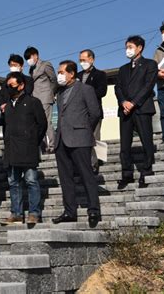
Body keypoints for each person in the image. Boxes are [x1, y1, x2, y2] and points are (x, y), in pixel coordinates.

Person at [52, 60, 101, 227]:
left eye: (61, 72)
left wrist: (83, 129)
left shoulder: (85, 89)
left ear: (72, 73)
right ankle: (69, 211)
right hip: (62, 139)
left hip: (80, 138)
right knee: (65, 178)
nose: (59, 75)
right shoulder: (60, 93)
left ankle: (93, 209)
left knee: (86, 174)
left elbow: (95, 114)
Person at [0, 72, 47, 225]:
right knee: (13, 183)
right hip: (11, 150)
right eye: (7, 86)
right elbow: (5, 126)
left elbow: (42, 125)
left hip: (28, 149)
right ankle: (16, 213)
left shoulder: (33, 102)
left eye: (12, 86)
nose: (9, 89)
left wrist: (33, 140)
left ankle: (34, 213)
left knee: (31, 180)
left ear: (21, 85)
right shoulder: (6, 106)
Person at [115, 35, 158, 189]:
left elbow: (148, 86)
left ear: (139, 48)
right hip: (125, 110)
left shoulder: (150, 64)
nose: (128, 50)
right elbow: (117, 87)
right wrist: (123, 102)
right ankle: (126, 173)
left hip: (141, 108)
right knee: (125, 145)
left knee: (146, 140)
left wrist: (133, 102)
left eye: (131, 47)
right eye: (126, 47)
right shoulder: (123, 69)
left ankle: (146, 170)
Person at [77, 49, 108, 174]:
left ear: (92, 59)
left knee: (94, 138)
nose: (82, 62)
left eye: (84, 59)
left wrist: (86, 95)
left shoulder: (100, 74)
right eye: (80, 60)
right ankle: (82, 165)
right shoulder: (77, 76)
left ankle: (94, 165)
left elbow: (102, 91)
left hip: (93, 112)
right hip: (79, 113)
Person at [24, 47, 58, 154]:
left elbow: (54, 80)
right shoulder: (31, 69)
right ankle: (43, 147)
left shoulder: (45, 64)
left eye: (29, 57)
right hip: (36, 98)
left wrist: (50, 93)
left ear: (35, 55)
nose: (28, 60)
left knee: (47, 122)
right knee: (39, 123)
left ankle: (52, 146)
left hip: (45, 97)